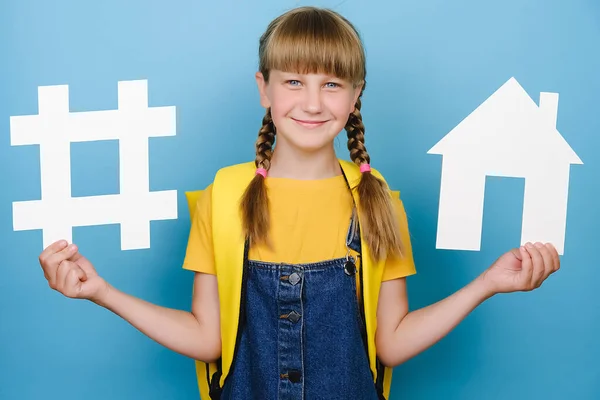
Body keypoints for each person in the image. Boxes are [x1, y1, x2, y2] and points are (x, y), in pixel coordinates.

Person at [37, 6, 560, 400]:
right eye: (293, 81)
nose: (312, 102)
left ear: (355, 96)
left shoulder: (379, 203)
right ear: (264, 89)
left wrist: (488, 283)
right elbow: (207, 338)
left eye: (331, 83)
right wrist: (102, 292)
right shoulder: (224, 197)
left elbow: (392, 343)